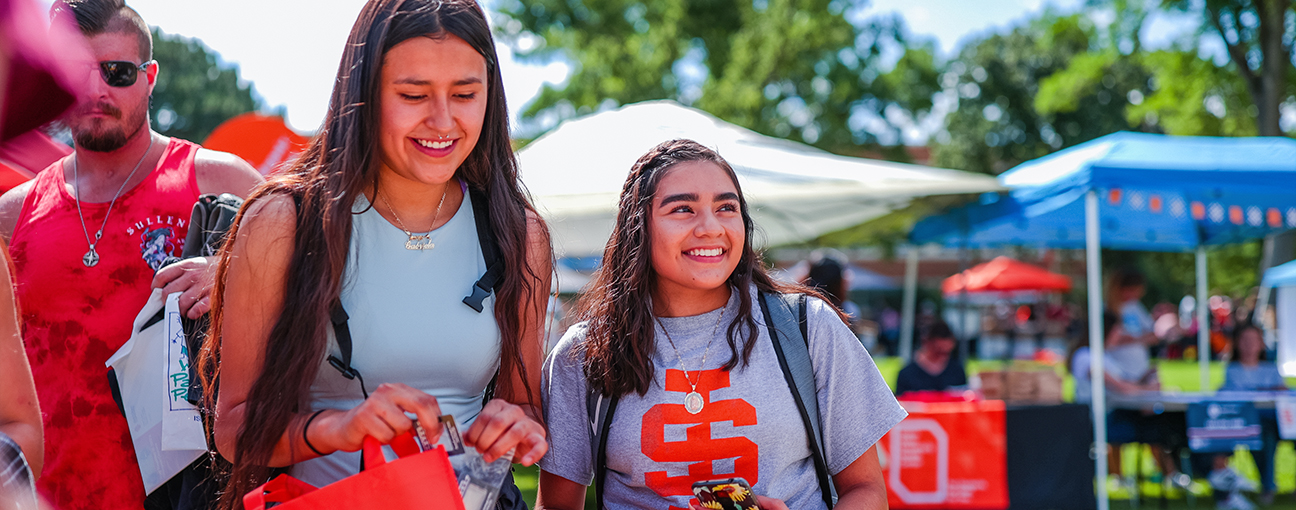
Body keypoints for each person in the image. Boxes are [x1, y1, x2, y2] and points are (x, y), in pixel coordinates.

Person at [201, 1, 552, 508]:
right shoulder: (284, 222)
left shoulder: (519, 234)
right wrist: (339, 428)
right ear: (363, 93)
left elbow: (526, 408)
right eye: (413, 94)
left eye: (466, 94)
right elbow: (233, 429)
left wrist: (519, 427)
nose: (443, 120)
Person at [537, 139, 903, 510]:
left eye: (726, 207)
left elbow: (866, 491)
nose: (711, 227)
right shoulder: (584, 353)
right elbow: (556, 506)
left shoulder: (809, 328)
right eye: (683, 208)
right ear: (638, 228)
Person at [0, 0, 264, 507]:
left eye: (117, 72)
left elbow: (314, 299)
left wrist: (238, 277)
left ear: (150, 76)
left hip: (192, 497)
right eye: (79, 74)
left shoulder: (218, 181)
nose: (96, 90)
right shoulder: (12, 217)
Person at [1215, 323, 1284, 504]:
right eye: (1245, 340)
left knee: (1268, 432)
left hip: (1276, 421)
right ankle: (1267, 486)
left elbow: (1283, 392)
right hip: (1247, 423)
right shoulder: (1233, 370)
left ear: (1261, 344)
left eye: (1254, 340)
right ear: (1237, 344)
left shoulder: (1271, 369)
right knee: (1263, 437)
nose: (1249, 345)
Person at [894, 321, 966, 395]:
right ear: (927, 343)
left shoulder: (957, 371)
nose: (943, 357)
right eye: (938, 351)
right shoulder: (907, 374)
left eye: (947, 352)